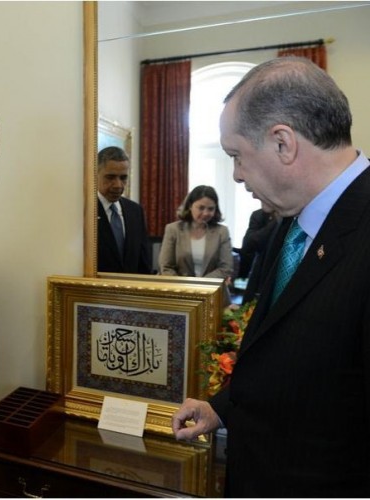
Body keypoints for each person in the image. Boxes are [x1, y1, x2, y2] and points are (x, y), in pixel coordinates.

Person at [172, 57, 370, 497]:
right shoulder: (292, 220)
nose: (236, 174)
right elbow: (285, 353)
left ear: (283, 143)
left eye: (236, 156)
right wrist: (222, 408)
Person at [158, 185, 234, 280]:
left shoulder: (222, 232)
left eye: (211, 209)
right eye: (201, 208)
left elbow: (226, 268)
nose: (206, 213)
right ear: (190, 206)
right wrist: (185, 286)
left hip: (212, 287)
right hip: (178, 286)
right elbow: (166, 267)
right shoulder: (173, 229)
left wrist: (200, 284)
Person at [97, 146, 151, 274]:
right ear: (95, 174)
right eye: (110, 177)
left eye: (123, 178)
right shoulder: (84, 210)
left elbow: (143, 263)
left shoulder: (135, 211)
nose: (118, 185)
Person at [238, 203, 281, 303]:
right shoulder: (258, 215)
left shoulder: (291, 216)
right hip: (259, 274)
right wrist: (275, 221)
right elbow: (249, 244)